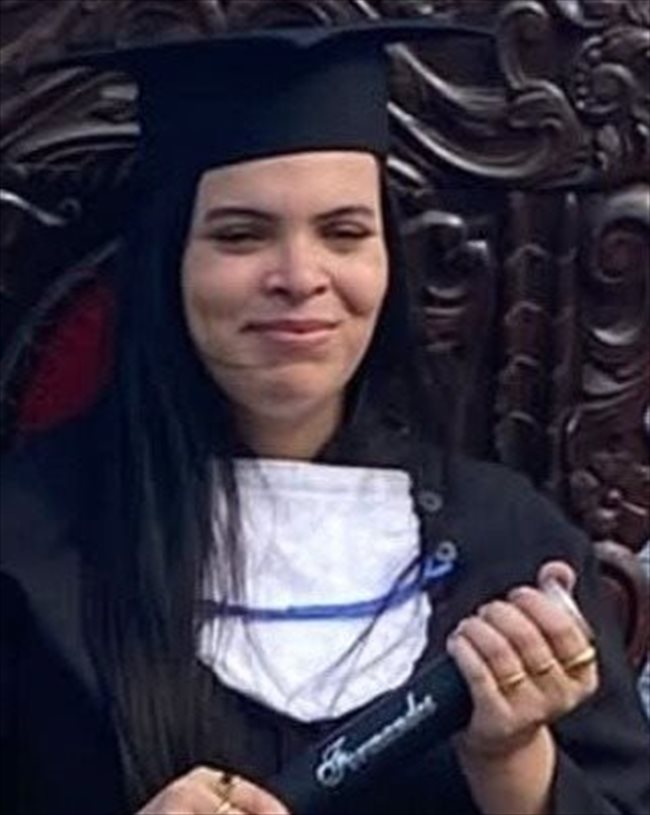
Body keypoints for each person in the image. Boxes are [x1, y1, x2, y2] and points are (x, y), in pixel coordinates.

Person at [1, 20, 648, 815]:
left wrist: (515, 761)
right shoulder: (26, 543)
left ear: (387, 262)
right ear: (169, 260)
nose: (300, 276)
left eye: (344, 233)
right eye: (241, 235)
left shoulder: (513, 547)